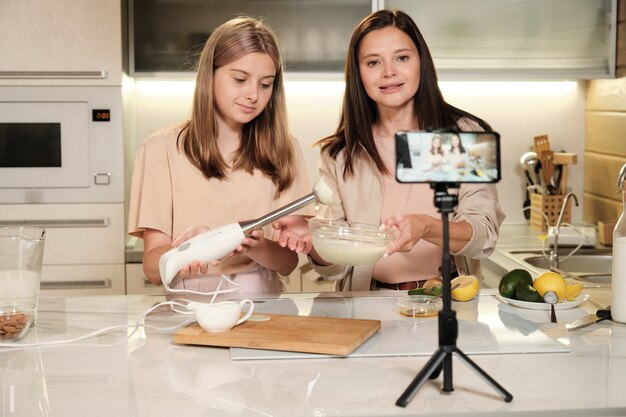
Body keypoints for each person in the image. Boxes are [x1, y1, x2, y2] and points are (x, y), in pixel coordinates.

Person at [273, 9, 504, 291]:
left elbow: (484, 236)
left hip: (445, 299)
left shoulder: (462, 135)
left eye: (402, 57)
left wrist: (428, 227)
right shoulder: (341, 153)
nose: (389, 72)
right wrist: (316, 239)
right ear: (358, 73)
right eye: (373, 62)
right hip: (366, 305)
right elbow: (335, 267)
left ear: (422, 62)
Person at [127, 17, 311, 294]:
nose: (253, 95)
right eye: (240, 79)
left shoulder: (284, 150)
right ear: (209, 75)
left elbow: (287, 264)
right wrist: (178, 252)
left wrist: (259, 248)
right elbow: (153, 269)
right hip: (187, 302)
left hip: (263, 302)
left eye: (265, 84)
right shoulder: (159, 150)